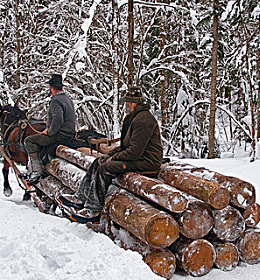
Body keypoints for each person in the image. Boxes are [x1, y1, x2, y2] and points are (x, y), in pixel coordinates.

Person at [68, 85, 163, 223]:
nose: (125, 105)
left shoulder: (144, 120)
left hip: (147, 162)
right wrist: (108, 155)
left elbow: (134, 152)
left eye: (127, 102)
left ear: (133, 103)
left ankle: (93, 210)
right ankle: (80, 197)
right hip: (138, 157)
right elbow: (125, 147)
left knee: (105, 168)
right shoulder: (132, 119)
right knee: (98, 162)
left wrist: (113, 158)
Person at [24, 74, 76, 184]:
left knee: (29, 141)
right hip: (69, 133)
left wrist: (49, 132)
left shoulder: (56, 100)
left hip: (60, 135)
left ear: (51, 87)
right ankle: (31, 169)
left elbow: (58, 119)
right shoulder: (67, 98)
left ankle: (36, 171)